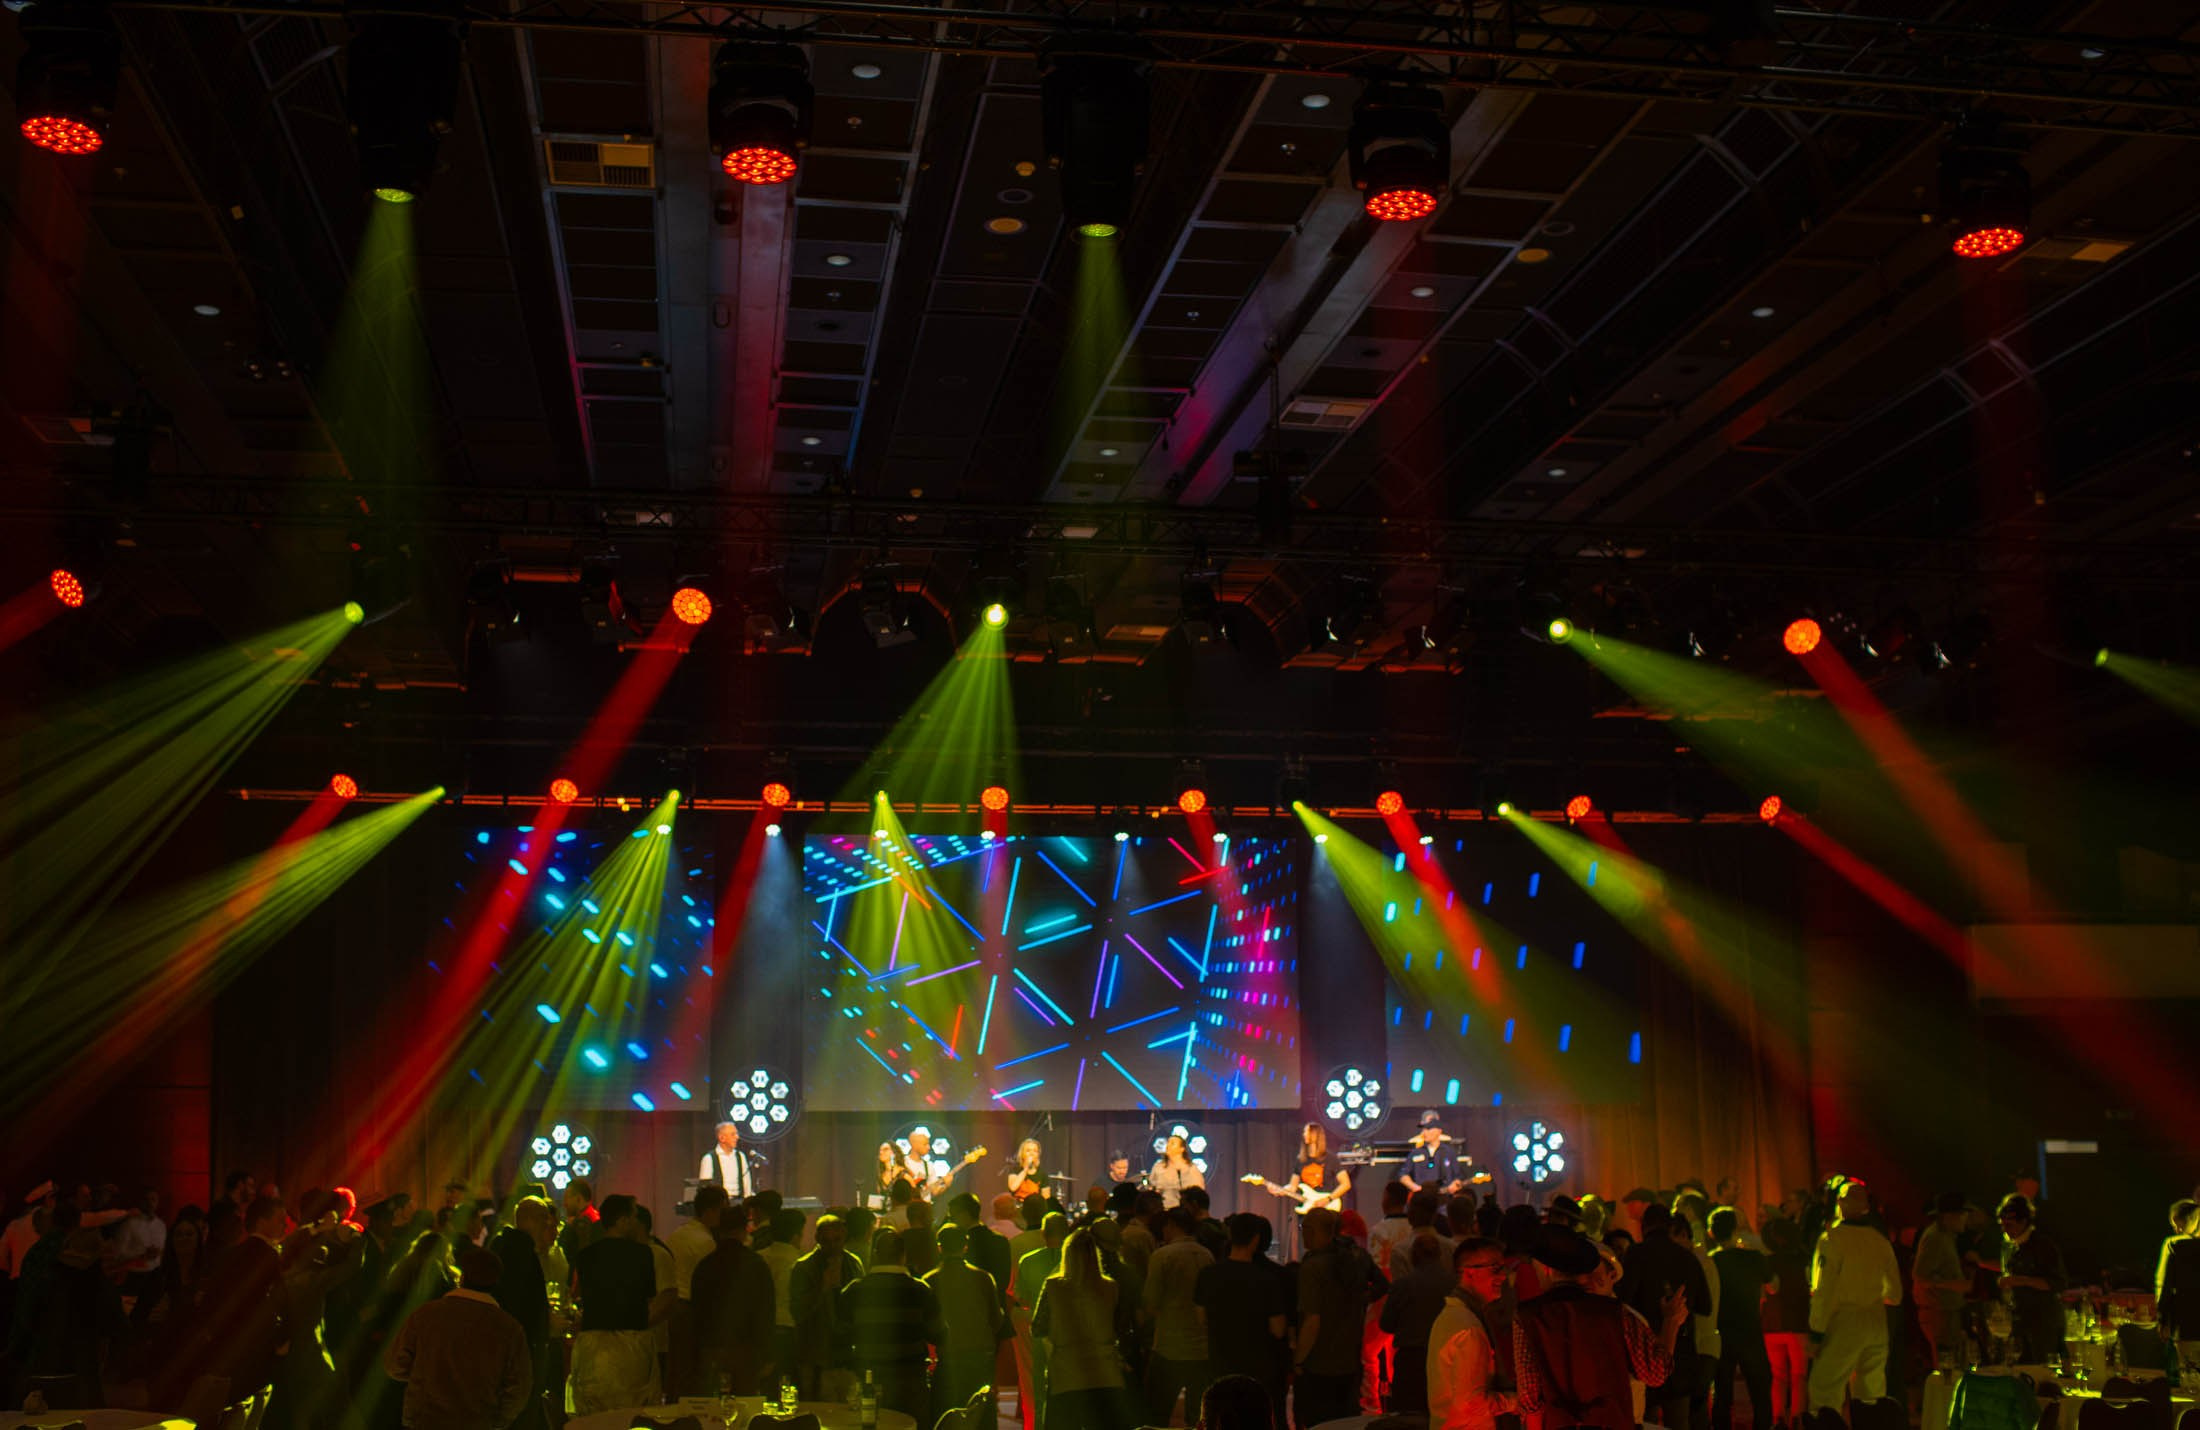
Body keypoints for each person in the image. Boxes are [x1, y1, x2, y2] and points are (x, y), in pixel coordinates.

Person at [1515, 1227, 1687, 1430]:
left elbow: (1530, 1397)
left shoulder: (1527, 1316)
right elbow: (1656, 1373)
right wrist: (1671, 1324)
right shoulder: (1615, 1313)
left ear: (1548, 1270)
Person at [383, 1243, 532, 1430]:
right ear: (496, 1282)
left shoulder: (426, 1314)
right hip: (477, 1422)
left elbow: (394, 1364)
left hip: (425, 1419)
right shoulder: (509, 1328)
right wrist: (499, 1420)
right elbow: (519, 1387)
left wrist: (423, 1375)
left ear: (462, 1277)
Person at [567, 1194, 675, 1413]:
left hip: (592, 1345)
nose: (637, 1222)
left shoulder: (586, 1255)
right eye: (634, 1216)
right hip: (632, 1345)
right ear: (623, 1220)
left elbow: (581, 1295)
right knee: (632, 1413)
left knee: (595, 1415)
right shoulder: (643, 1254)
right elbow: (649, 1296)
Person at [1806, 1181, 1901, 1413]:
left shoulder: (1831, 1240)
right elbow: (1895, 1294)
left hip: (1844, 1320)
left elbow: (1823, 1291)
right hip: (1876, 1321)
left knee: (1824, 1392)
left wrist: (1816, 1333)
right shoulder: (1881, 1242)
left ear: (1839, 1203)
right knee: (1871, 1395)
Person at [1616, 1204, 1709, 1430]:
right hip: (1682, 1353)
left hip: (1643, 1352)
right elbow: (1706, 1306)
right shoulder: (1688, 1259)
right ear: (1669, 1227)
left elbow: (1621, 1301)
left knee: (1645, 1421)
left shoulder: (1636, 1255)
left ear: (1643, 1226)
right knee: (1678, 1422)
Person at [1295, 1207, 1384, 1429]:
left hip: (1320, 1363)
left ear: (1317, 1232)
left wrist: (1297, 1359)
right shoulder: (1357, 1256)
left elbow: (1312, 1321)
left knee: (1317, 1422)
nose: (1303, 1234)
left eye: (1305, 1229)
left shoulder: (1313, 1266)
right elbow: (1383, 1284)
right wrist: (1363, 1298)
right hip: (1351, 1358)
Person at [1196, 1214, 1288, 1429]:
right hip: (1258, 1368)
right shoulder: (1267, 1280)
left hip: (1220, 1363)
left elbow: (1200, 1319)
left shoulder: (1208, 1275)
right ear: (1256, 1239)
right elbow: (1278, 1329)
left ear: (1230, 1235)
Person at [1033, 1228, 1131, 1430]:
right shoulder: (1110, 1288)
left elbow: (1038, 1328)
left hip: (1066, 1374)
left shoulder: (1053, 1287)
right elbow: (1122, 1327)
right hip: (1105, 1373)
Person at [838, 1225, 939, 1417]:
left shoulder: (855, 1290)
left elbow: (841, 1333)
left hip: (868, 1376)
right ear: (903, 1256)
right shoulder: (921, 1290)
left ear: (875, 1255)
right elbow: (938, 1333)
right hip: (911, 1376)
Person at [1428, 1237, 1517, 1430]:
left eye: (1503, 1268)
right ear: (1469, 1273)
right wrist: (1515, 1402)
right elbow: (1471, 1403)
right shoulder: (1468, 1328)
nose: (1503, 1276)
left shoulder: (1453, 1315)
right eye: (1495, 1269)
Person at [691, 1202, 777, 1395]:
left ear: (719, 1230)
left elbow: (696, 1312)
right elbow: (765, 1311)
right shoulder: (756, 1264)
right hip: (746, 1350)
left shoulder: (705, 1265)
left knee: (713, 1412)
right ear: (745, 1229)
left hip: (711, 1349)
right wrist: (768, 1353)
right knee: (744, 1406)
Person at [488, 1196, 555, 1430]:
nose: (548, 1228)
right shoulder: (521, 1252)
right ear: (528, 1220)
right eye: (544, 1221)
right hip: (520, 1350)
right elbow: (520, 1304)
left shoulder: (504, 1246)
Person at [1142, 1207, 1214, 1423]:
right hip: (1200, 1348)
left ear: (1171, 1226)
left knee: (1157, 1412)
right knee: (1197, 1416)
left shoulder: (1162, 1256)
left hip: (1169, 1345)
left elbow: (1150, 1301)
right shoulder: (1206, 1255)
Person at [927, 1224, 1005, 1423]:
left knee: (947, 1415)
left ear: (940, 1247)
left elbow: (928, 1326)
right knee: (981, 1416)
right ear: (966, 1246)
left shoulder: (931, 1280)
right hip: (980, 1355)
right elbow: (996, 1320)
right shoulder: (983, 1278)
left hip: (949, 1357)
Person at [1709, 1208, 1775, 1430]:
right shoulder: (1754, 1257)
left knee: (1722, 1393)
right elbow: (1774, 1286)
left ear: (1711, 1233)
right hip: (1750, 1330)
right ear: (1736, 1230)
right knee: (1760, 1391)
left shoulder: (1712, 1262)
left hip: (1723, 1332)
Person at [790, 1213, 864, 1399]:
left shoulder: (853, 1263)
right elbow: (798, 1311)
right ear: (818, 1239)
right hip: (815, 1354)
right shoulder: (804, 1267)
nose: (832, 1246)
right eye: (826, 1240)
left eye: (837, 1240)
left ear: (844, 1237)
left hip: (846, 1352)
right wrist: (822, 1288)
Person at [667, 1185, 731, 1394]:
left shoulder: (678, 1234)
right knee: (695, 1371)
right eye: (723, 1211)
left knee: (678, 1369)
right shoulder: (706, 1242)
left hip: (673, 1308)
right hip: (692, 1310)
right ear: (711, 1211)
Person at [1383, 1230, 1455, 1413]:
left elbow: (1386, 1324)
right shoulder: (1454, 1284)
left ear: (1413, 1256)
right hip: (1447, 1358)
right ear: (1439, 1255)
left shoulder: (1403, 1285)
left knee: (1409, 1415)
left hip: (1411, 1360)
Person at [1995, 1194, 2065, 1364]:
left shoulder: (2042, 1245)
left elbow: (2057, 1283)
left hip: (2043, 1322)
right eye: (2003, 1225)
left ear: (2024, 1221)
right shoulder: (2012, 1246)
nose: (2005, 1230)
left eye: (2009, 1225)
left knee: (2043, 1370)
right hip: (2020, 1320)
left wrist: (2020, 1280)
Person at [1760, 1219, 1809, 1430]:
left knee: (1778, 1375)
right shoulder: (1804, 1260)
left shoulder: (1767, 1261)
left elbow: (1767, 1291)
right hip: (1798, 1323)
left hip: (1772, 1324)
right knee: (1799, 1375)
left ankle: (1778, 1419)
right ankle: (1797, 1418)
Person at [1913, 1193, 1971, 1371]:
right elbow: (1920, 1275)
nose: (1965, 1218)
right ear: (1948, 1216)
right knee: (1948, 1371)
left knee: (1952, 1368)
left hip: (1945, 1312)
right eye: (1962, 1214)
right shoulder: (1935, 1238)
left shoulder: (1944, 1236)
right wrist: (1953, 1285)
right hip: (1939, 1313)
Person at [760, 1208, 807, 1382]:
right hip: (788, 1327)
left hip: (760, 1328)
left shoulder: (759, 1257)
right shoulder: (800, 1261)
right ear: (797, 1234)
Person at [1404, 1112, 1467, 1195]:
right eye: (1423, 1129)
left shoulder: (1448, 1152)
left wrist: (1455, 1184)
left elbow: (1459, 1176)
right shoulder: (1416, 1152)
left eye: (1428, 1129)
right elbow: (1403, 1174)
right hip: (1421, 1199)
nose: (1424, 1132)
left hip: (1444, 1199)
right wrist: (1414, 1187)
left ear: (1439, 1130)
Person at [700, 1123, 757, 1198]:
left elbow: (746, 1182)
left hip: (738, 1201)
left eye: (736, 1134)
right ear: (722, 1138)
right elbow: (705, 1188)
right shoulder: (709, 1158)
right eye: (733, 1134)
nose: (737, 1137)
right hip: (719, 1204)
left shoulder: (740, 1156)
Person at [1149, 1135, 1205, 1211]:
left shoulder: (1191, 1169)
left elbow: (1198, 1193)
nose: (1168, 1145)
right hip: (1162, 1212)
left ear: (1182, 1149)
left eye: (1172, 1143)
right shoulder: (1158, 1167)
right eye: (1168, 1142)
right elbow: (1152, 1188)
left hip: (1184, 1213)